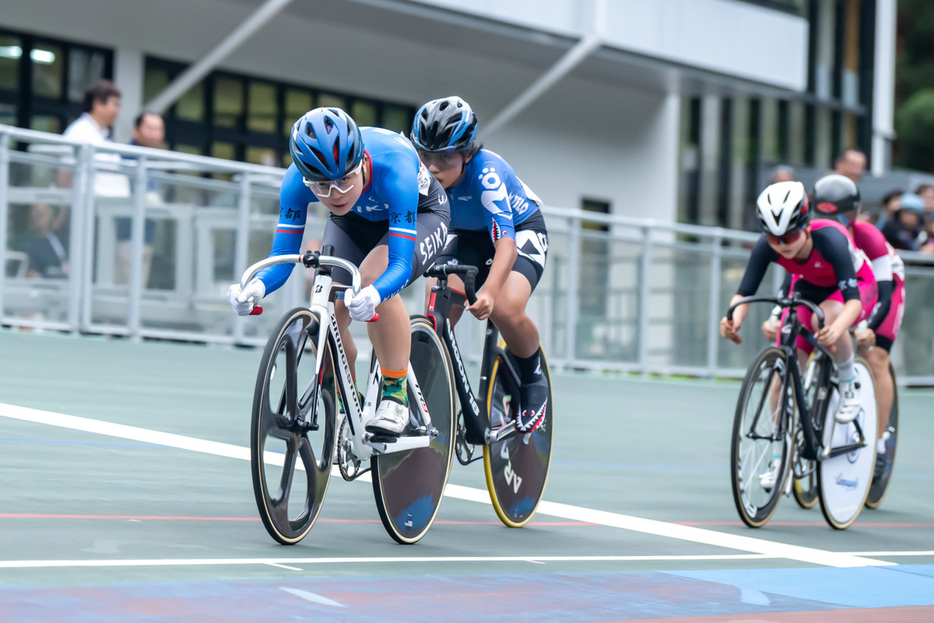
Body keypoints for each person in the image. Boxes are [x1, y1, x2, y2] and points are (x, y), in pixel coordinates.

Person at [227, 107, 450, 436]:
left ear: (361, 162)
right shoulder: (296, 181)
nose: (334, 194)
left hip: (423, 213)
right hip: (354, 221)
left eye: (343, 179)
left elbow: (399, 265)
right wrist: (255, 289)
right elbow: (283, 255)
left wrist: (374, 293)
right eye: (321, 186)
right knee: (327, 309)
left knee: (375, 277)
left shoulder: (395, 166)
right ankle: (346, 404)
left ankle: (395, 395)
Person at [410, 96, 549, 433]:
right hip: (466, 236)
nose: (433, 167)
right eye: (426, 155)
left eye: (445, 157)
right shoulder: (419, 177)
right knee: (437, 306)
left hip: (519, 231)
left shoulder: (486, 172)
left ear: (467, 153)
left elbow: (506, 242)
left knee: (504, 307)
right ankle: (421, 388)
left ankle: (533, 379)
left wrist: (488, 290)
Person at [721, 181, 878, 470]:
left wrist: (838, 327)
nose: (782, 245)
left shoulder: (830, 239)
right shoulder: (768, 247)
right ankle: (778, 459)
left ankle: (847, 381)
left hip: (857, 287)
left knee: (827, 319)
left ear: (805, 227)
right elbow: (745, 292)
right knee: (781, 379)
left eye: (790, 236)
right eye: (773, 238)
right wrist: (734, 319)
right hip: (810, 289)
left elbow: (853, 302)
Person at [780, 174, 904, 483]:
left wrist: (867, 326)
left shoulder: (868, 237)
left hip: (879, 288)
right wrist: (778, 319)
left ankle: (877, 444)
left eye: (841, 215)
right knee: (803, 334)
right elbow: (793, 281)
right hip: (830, 289)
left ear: (854, 214)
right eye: (824, 215)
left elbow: (882, 294)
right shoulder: (813, 237)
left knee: (875, 356)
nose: (833, 221)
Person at [57, 79, 123, 246]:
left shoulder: (103, 137)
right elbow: (65, 175)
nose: (118, 111)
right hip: (82, 213)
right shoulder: (79, 133)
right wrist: (62, 213)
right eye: (114, 105)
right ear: (98, 104)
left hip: (102, 215)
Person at [115, 111, 165, 287]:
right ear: (136, 131)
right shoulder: (125, 157)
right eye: (150, 128)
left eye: (158, 129)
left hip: (146, 238)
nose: (154, 134)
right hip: (126, 237)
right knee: (124, 294)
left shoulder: (154, 160)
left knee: (138, 291)